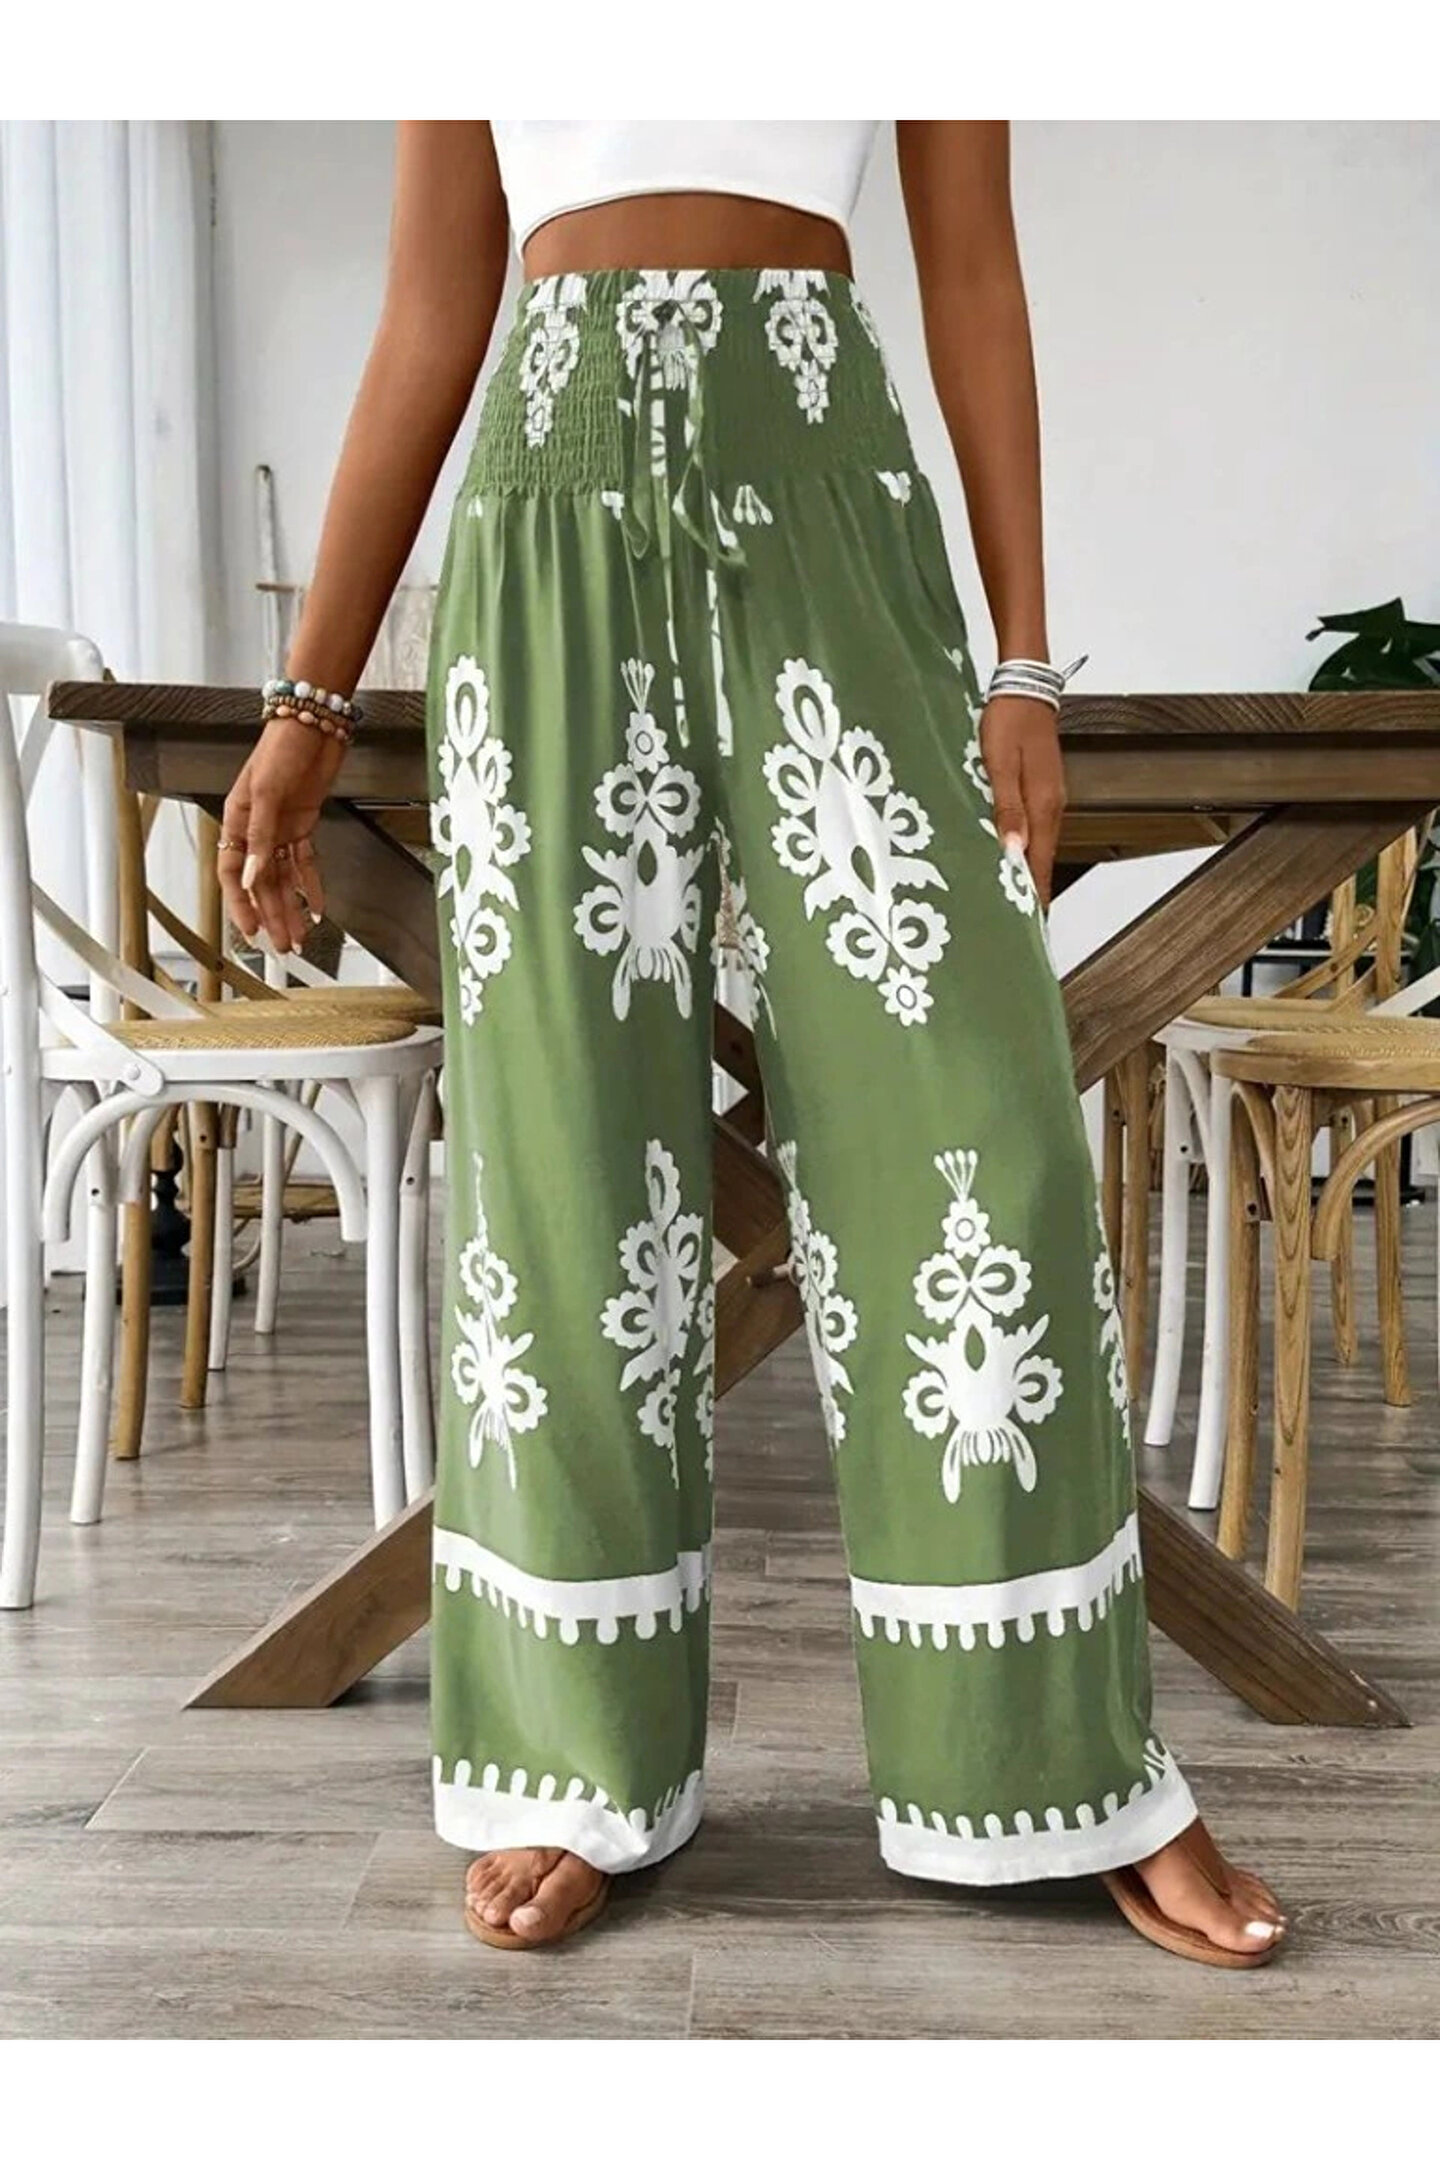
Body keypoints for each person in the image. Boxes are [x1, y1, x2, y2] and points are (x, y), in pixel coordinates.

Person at [219, 119, 1286, 1968]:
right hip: (546, 531)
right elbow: (432, 309)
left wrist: (1024, 661)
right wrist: (310, 700)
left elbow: (973, 273)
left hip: (826, 503)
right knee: (563, 1156)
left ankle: (1061, 1760)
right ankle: (577, 1761)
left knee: (975, 1128)